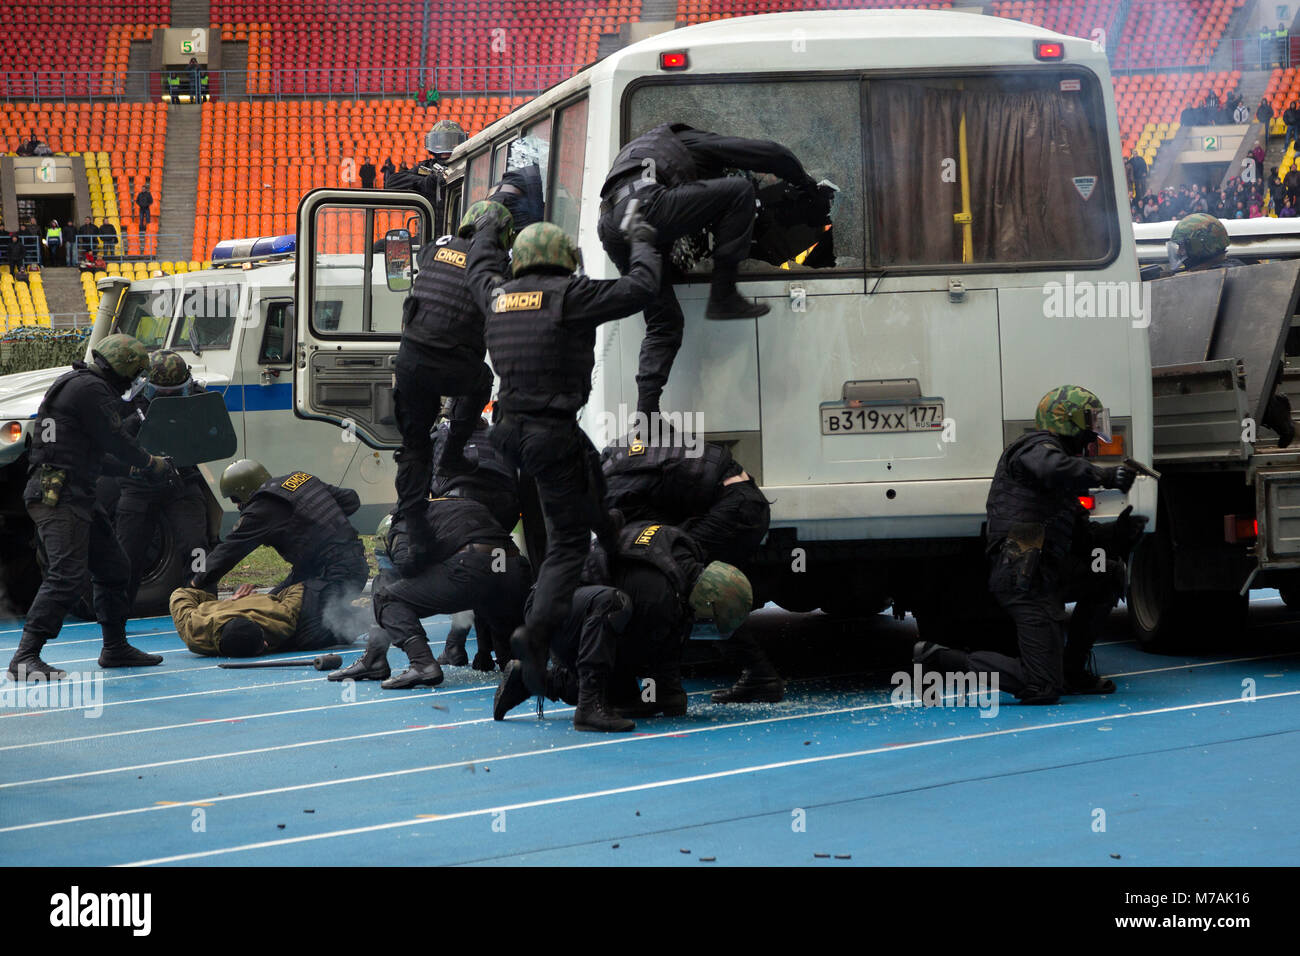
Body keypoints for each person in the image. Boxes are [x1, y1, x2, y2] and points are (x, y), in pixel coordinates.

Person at [464, 209, 662, 697]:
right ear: (564, 259)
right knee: (568, 542)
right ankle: (535, 635)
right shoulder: (571, 295)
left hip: (512, 431)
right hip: (548, 433)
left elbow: (477, 266)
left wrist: (486, 229)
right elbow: (642, 287)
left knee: (588, 467)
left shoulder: (495, 294)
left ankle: (608, 534)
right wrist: (642, 237)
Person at [913, 386, 1136, 703]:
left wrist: (1119, 532)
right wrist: (1104, 476)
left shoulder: (1062, 476)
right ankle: (941, 658)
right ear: (1067, 421)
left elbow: (1083, 538)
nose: (1090, 438)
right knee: (1042, 687)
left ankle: (1073, 671)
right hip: (1024, 577)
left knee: (1107, 575)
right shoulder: (1035, 447)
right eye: (1087, 426)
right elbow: (1049, 466)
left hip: (1046, 572)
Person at [595, 124, 824, 415]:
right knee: (739, 191)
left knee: (664, 322)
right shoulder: (687, 142)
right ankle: (723, 295)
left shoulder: (648, 153)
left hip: (614, 227)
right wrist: (806, 184)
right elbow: (771, 153)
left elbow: (690, 206)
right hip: (645, 208)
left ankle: (647, 415)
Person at [6, 334, 174, 680]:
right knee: (66, 575)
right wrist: (150, 463)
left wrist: (132, 470)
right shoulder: (91, 389)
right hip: (59, 496)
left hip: (74, 493)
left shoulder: (77, 384)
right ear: (122, 368)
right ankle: (25, 656)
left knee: (114, 569)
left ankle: (115, 647)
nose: (135, 381)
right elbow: (116, 441)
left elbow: (91, 455)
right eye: (135, 373)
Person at [601, 433, 783, 702]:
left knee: (688, 582)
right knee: (690, 580)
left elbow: (652, 543)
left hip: (734, 506)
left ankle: (756, 675)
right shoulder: (618, 455)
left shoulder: (612, 492)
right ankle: (678, 686)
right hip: (744, 499)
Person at [392, 200, 511, 574]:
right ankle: (453, 454)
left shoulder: (434, 247)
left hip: (411, 360)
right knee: (483, 380)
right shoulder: (495, 264)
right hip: (453, 363)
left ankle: (416, 536)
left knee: (413, 450)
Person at [329, 500, 529, 689]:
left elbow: (405, 573)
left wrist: (383, 602)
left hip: (473, 566)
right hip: (513, 567)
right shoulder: (454, 508)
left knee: (387, 599)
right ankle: (516, 662)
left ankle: (422, 664)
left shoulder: (403, 522)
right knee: (510, 659)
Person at [188, 460, 370, 650]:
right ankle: (341, 610)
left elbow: (228, 551)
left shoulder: (262, 509)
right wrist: (317, 522)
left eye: (235, 498)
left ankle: (364, 617)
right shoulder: (301, 478)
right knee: (270, 606)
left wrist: (196, 582)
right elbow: (351, 500)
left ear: (246, 489)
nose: (237, 504)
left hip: (337, 575)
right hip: (329, 567)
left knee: (300, 634)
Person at [582, 519, 755, 718]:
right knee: (609, 687)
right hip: (569, 611)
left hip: (589, 581)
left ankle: (667, 693)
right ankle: (551, 681)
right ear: (706, 602)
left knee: (668, 625)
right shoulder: (657, 600)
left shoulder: (682, 550)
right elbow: (641, 658)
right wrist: (648, 696)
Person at [112, 350, 210, 609]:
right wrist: (137, 419)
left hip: (182, 480)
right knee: (127, 553)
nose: (168, 398)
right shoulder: (129, 401)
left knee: (196, 547)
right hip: (140, 483)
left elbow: (212, 434)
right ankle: (116, 615)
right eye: (161, 393)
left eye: (174, 393)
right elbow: (115, 439)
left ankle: (202, 605)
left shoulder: (198, 397)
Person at [429, 415, 522, 669]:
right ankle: (488, 651)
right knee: (492, 571)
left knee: (470, 572)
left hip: (463, 505)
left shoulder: (441, 434)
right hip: (505, 508)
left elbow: (426, 484)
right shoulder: (498, 434)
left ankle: (458, 646)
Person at [170, 582, 306, 657]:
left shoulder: (193, 627)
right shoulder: (280, 621)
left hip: (233, 605)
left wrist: (225, 602)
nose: (266, 644)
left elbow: (180, 594)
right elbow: (298, 587)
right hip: (265, 604)